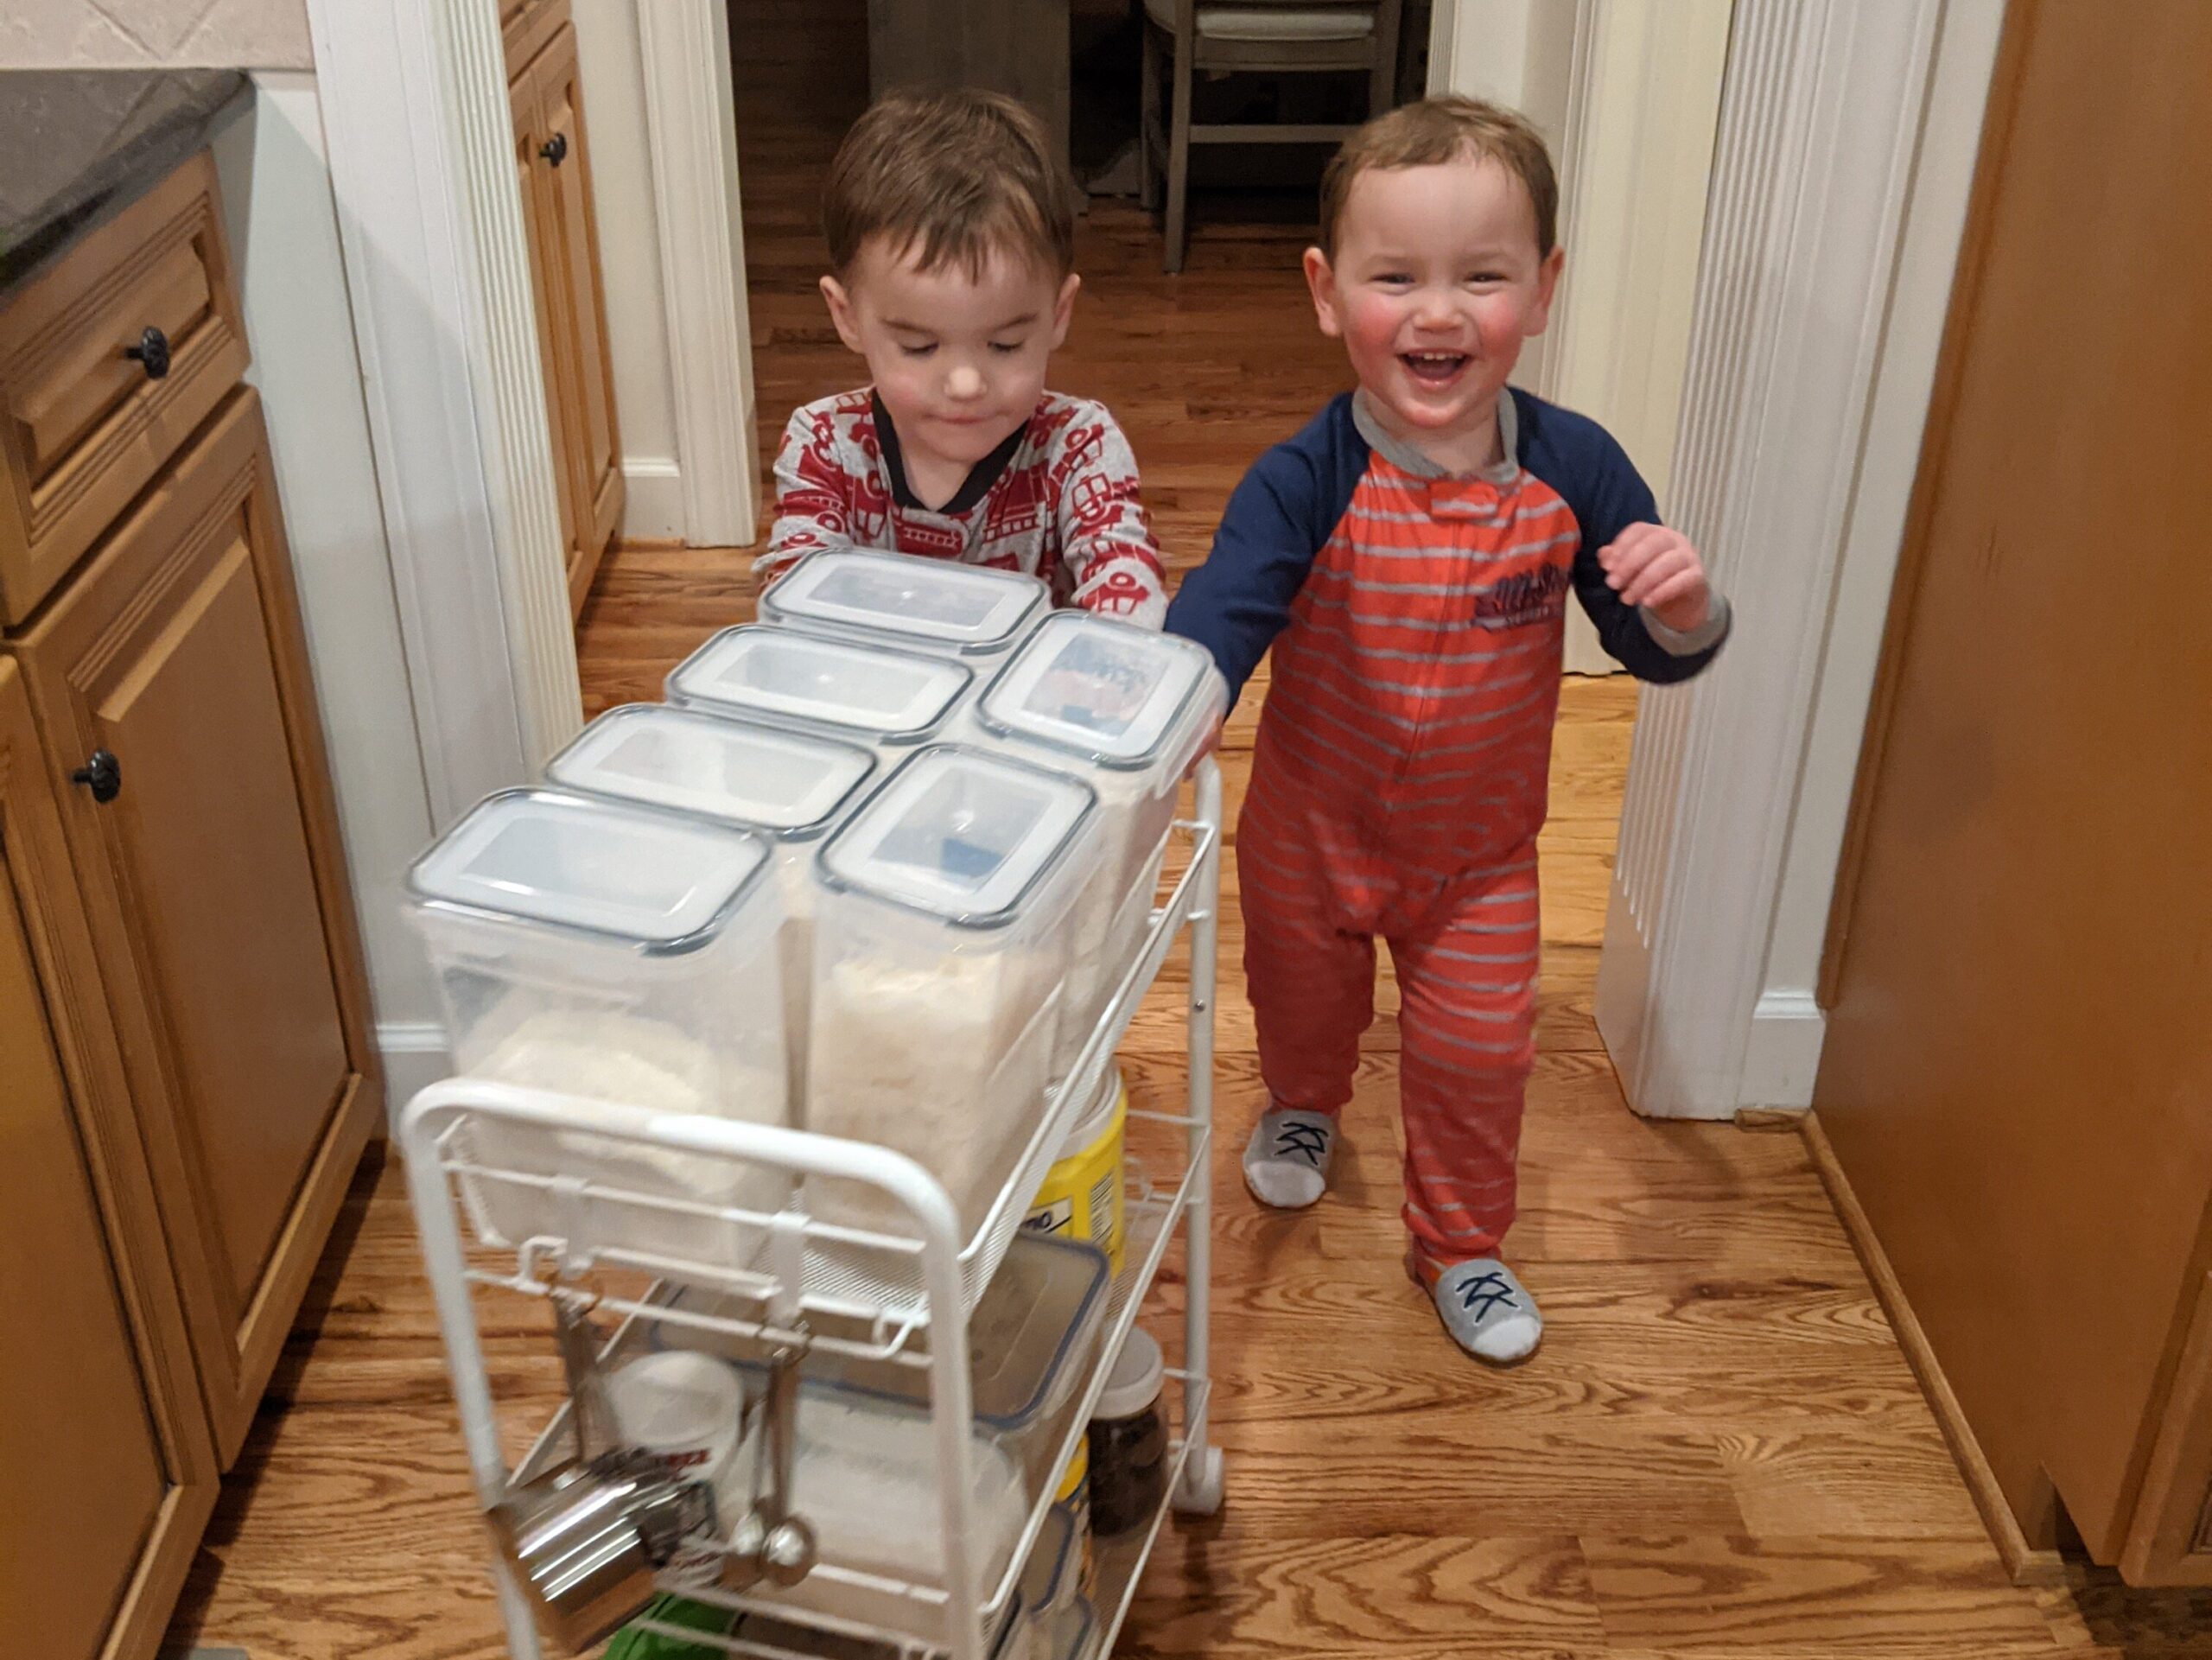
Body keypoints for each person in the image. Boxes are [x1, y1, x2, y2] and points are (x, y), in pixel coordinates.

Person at [1164, 95, 1731, 1364]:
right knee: (1301, 1006)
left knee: (1481, 1056)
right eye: (1395, 276)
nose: (1438, 311)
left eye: (1482, 276)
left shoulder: (1578, 471)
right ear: (1327, 293)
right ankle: (1305, 1105)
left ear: (1542, 290)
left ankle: (1463, 1241)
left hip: (1479, 861)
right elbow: (1225, 606)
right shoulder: (1305, 476)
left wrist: (1683, 605)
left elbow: (1646, 644)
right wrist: (1177, 707)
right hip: (1309, 832)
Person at [760, 90, 1166, 626]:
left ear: (1059, 314)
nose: (967, 383)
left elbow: (1128, 587)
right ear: (847, 317)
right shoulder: (824, 445)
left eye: (1005, 345)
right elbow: (791, 605)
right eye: (920, 347)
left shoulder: (1078, 446)